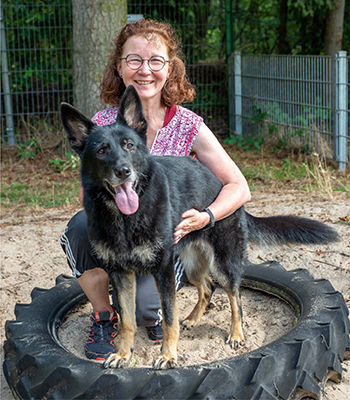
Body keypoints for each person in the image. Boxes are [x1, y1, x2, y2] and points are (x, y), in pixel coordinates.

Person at [60, 19, 251, 361]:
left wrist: (205, 218)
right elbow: (87, 195)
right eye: (134, 60)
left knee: (151, 311)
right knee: (79, 225)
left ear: (169, 68)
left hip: (173, 235)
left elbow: (239, 186)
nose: (144, 70)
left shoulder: (188, 124)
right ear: (119, 67)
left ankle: (234, 316)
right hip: (121, 233)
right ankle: (105, 317)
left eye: (155, 61)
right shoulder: (101, 125)